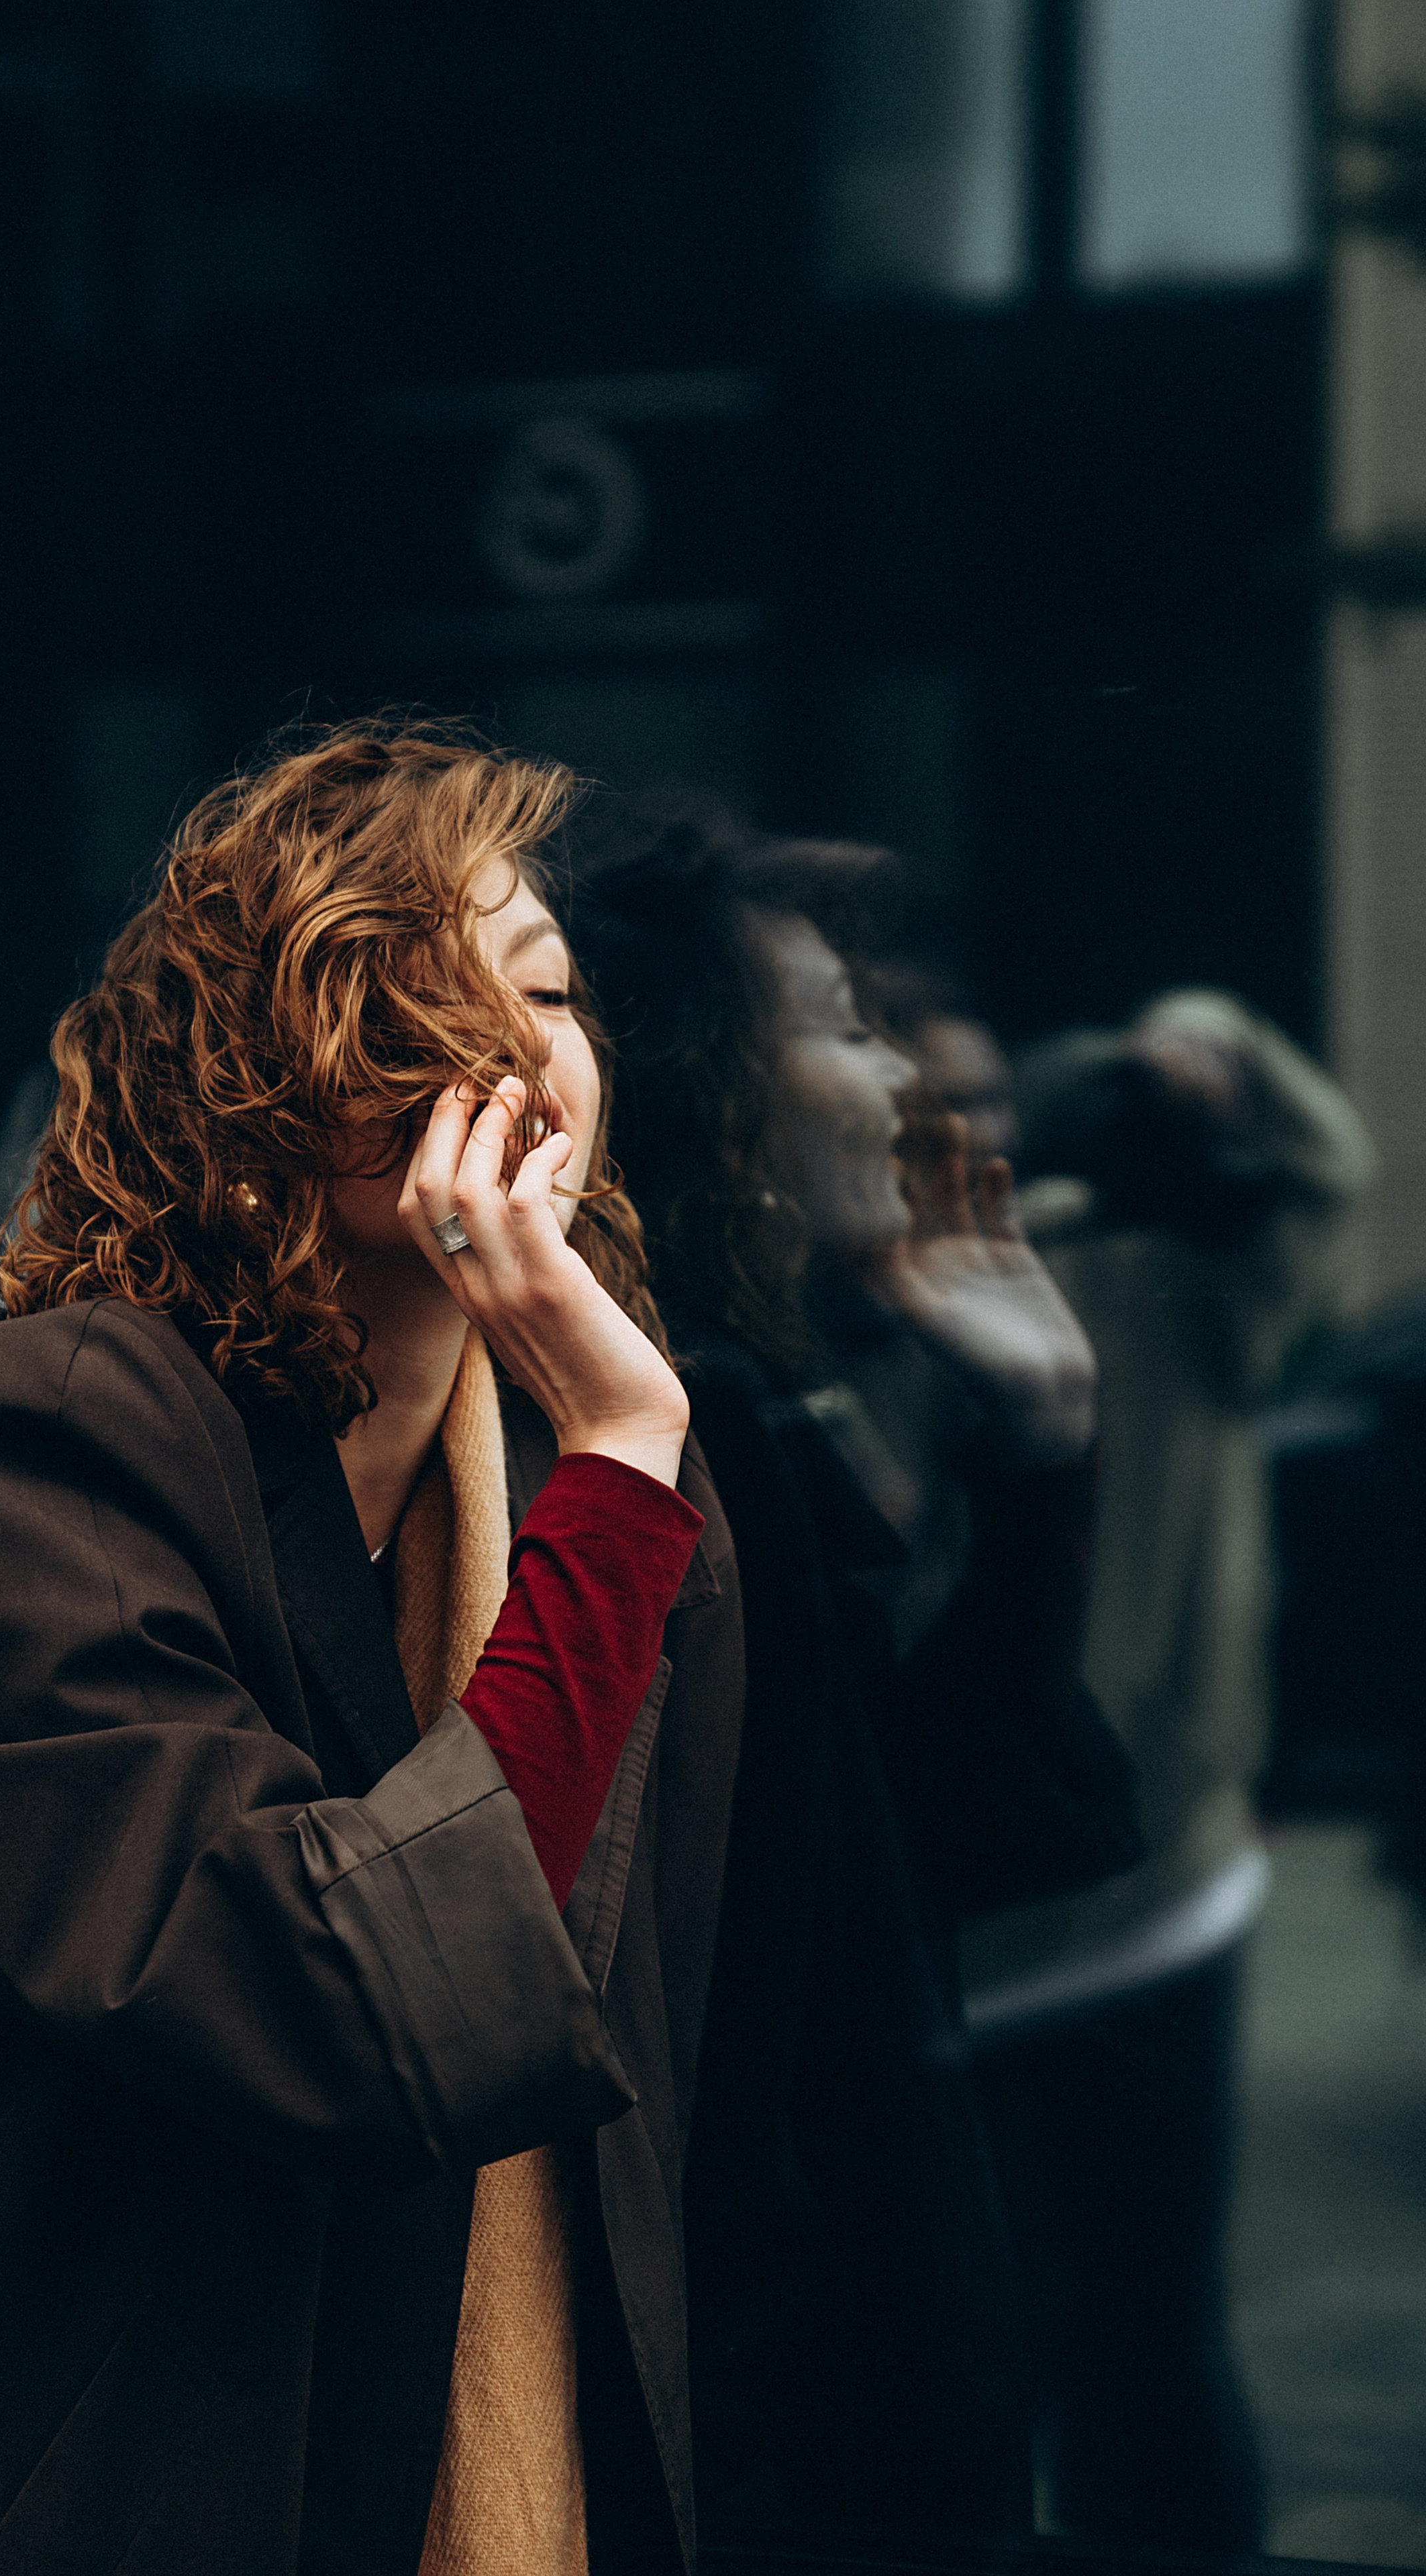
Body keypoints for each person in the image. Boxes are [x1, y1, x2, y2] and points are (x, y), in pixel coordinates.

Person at [0, 726, 745, 2576]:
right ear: (250, 1081)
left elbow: (663, 2075)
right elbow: (337, 2005)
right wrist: (618, 1477)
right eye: (408, 995)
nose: (520, 1053)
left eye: (553, 990)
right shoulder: (29, 1446)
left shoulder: (600, 1476)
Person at [572, 814, 1141, 2553]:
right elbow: (767, 2048)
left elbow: (916, 1849)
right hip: (805, 2452)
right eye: (837, 1024)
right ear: (704, 1084)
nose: (893, 1075)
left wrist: (1038, 1444)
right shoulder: (682, 1433)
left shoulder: (738, 1411)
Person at [961, 987, 1375, 2553]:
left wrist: (1186, 1042)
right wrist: (1211, 1051)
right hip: (1091, 1893)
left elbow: (1326, 1171)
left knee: (1093, 2345)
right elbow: (1324, 1165)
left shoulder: (1193, 1289)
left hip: (1114, 1896)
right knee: (1117, 2343)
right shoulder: (1190, 1288)